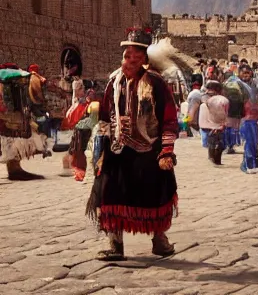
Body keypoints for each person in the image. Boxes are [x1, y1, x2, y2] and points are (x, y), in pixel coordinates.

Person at [87, 28, 179, 260]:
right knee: (109, 193)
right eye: (127, 55)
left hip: (150, 150)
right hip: (117, 150)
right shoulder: (113, 82)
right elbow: (105, 113)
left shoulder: (156, 84)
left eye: (135, 56)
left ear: (145, 59)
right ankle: (115, 244)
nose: (129, 60)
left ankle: (159, 239)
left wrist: (166, 150)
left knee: (155, 194)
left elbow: (168, 117)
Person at [0, 64, 47, 180]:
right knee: (12, 139)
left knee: (11, 141)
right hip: (8, 116)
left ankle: (14, 168)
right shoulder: (5, 76)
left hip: (9, 115)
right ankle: (14, 169)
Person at [237, 65, 258, 174]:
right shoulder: (238, 85)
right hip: (244, 118)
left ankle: (251, 162)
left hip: (253, 118)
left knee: (254, 141)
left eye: (248, 73)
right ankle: (248, 164)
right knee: (248, 141)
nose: (246, 75)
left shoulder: (254, 84)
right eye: (243, 73)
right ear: (239, 73)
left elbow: (257, 97)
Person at [198, 81, 229, 165]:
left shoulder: (204, 97)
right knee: (218, 142)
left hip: (208, 123)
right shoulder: (213, 98)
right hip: (213, 123)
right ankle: (214, 159)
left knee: (215, 142)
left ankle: (214, 158)